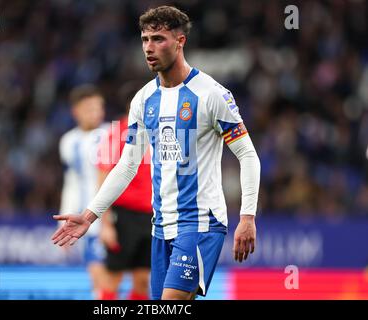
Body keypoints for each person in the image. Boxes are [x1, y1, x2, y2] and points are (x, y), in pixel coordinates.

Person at [52, 6, 261, 300]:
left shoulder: (212, 95)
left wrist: (247, 216)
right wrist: (90, 216)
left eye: (158, 39)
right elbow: (126, 166)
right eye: (145, 39)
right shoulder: (144, 99)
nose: (149, 48)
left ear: (180, 41)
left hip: (200, 223)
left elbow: (248, 155)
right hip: (160, 227)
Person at [97, 83, 153, 300]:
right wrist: (106, 223)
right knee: (113, 276)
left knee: (142, 280)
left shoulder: (160, 134)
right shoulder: (117, 133)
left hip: (152, 216)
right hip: (123, 214)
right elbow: (103, 177)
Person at [57, 84, 110, 300]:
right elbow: (72, 183)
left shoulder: (114, 134)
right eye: (89, 108)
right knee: (97, 276)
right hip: (89, 222)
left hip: (116, 217)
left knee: (133, 276)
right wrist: (63, 221)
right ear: (75, 111)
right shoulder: (68, 142)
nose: (96, 113)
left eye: (99, 107)